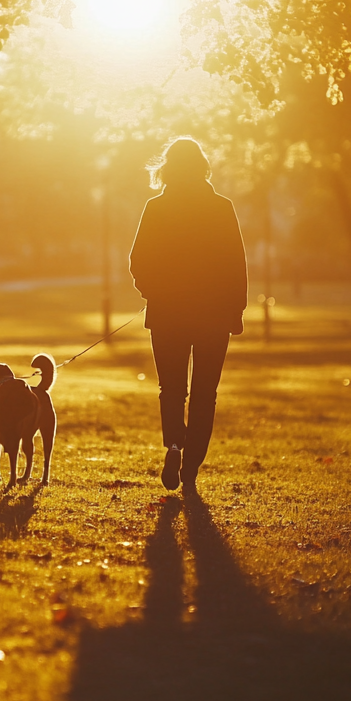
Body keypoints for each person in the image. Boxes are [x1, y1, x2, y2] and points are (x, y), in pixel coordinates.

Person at [129, 137, 247, 490]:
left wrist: (153, 292)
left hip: (167, 315)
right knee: (204, 393)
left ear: (167, 167)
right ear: (202, 167)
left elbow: (138, 260)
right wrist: (236, 310)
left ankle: (175, 444)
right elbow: (236, 263)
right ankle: (192, 465)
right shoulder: (222, 207)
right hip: (213, 316)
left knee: (171, 389)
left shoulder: (156, 208)